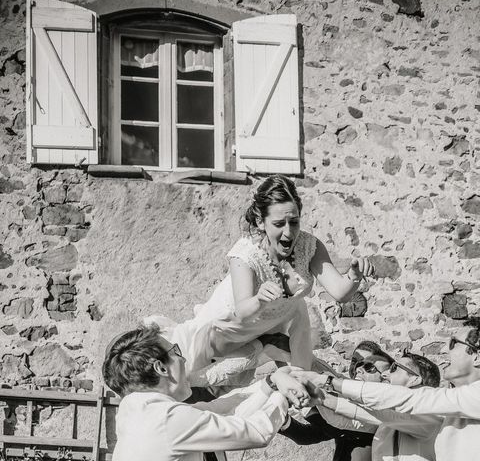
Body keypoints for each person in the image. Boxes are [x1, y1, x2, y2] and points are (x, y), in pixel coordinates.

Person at [193, 174, 374, 370]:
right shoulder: (244, 255)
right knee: (200, 377)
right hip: (228, 328)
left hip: (276, 325)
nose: (289, 232)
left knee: (305, 379)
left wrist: (353, 278)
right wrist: (259, 299)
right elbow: (242, 311)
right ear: (261, 222)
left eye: (294, 222)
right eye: (279, 224)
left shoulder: (309, 246)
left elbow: (340, 292)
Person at [295, 317, 480, 461]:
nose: (445, 349)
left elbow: (411, 401)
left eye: (453, 344)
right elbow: (384, 415)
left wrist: (331, 382)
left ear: (477, 356)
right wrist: (322, 396)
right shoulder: (453, 410)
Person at [102, 324, 309, 461]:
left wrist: (271, 383)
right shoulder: (165, 420)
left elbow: (214, 411)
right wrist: (285, 391)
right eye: (176, 352)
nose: (183, 360)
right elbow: (256, 433)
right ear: (161, 368)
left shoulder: (137, 415)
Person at [314, 351, 442, 461]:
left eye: (394, 368)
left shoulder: (426, 412)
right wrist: (318, 396)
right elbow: (350, 413)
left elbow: (374, 411)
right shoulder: (384, 421)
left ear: (415, 379)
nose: (385, 374)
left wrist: (329, 382)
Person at [278, 342, 395, 461]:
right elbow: (308, 435)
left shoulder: (386, 409)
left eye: (369, 367)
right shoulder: (348, 394)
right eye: (356, 362)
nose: (358, 369)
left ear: (385, 379)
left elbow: (338, 418)